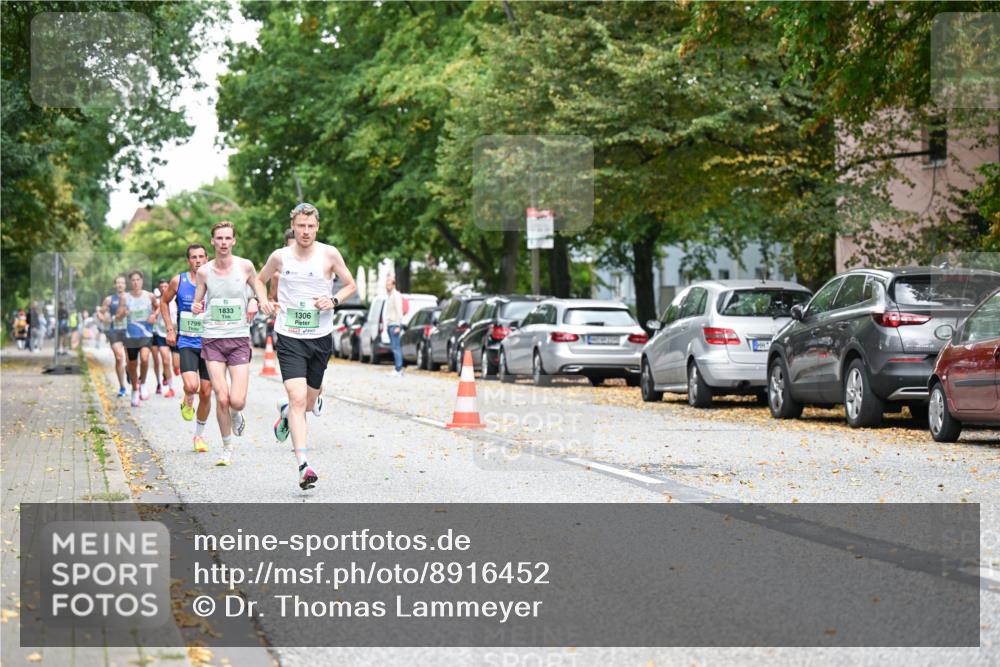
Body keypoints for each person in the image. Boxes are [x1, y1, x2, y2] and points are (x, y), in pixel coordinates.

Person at [256, 202, 356, 490]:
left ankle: (286, 412)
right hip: (289, 335)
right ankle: (303, 465)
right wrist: (263, 300)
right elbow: (259, 281)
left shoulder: (329, 254)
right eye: (301, 226)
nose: (306, 231)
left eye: (311, 226)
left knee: (309, 403)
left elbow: (350, 285)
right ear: (293, 226)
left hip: (320, 337)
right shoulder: (280, 256)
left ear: (317, 227)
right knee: (299, 398)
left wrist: (334, 300)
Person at [191, 222, 263, 466]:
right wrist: (196, 306)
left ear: (234, 241)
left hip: (238, 338)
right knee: (221, 397)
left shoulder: (245, 266)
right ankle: (226, 448)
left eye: (227, 238)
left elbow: (258, 287)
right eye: (219, 238)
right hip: (212, 338)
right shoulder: (204, 272)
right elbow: (197, 301)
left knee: (237, 400)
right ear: (212, 242)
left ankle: (235, 412)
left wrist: (255, 301)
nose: (223, 242)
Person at [161, 244, 213, 453]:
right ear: (188, 261)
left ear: (207, 258)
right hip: (188, 342)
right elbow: (163, 303)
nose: (198, 260)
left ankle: (199, 436)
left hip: (210, 343)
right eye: (194, 257)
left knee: (207, 392)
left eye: (201, 256)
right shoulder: (178, 281)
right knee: (192, 386)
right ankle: (188, 398)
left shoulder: (215, 280)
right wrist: (170, 329)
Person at [119, 270, 158, 407]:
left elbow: (159, 307)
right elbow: (118, 316)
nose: (136, 282)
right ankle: (135, 390)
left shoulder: (150, 296)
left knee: (145, 358)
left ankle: (143, 383)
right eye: (133, 280)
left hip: (146, 334)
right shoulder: (125, 297)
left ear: (142, 281)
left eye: (138, 280)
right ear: (131, 282)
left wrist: (154, 315)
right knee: (132, 364)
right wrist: (123, 313)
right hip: (131, 336)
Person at [98, 276, 129, 397]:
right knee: (119, 357)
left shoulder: (130, 298)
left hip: (128, 331)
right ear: (115, 285)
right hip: (114, 331)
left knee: (129, 359)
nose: (120, 285)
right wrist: (105, 319)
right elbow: (100, 313)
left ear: (125, 285)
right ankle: (122, 387)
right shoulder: (109, 300)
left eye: (122, 283)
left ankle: (128, 370)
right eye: (118, 283)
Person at [151, 278, 175, 397]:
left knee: (176, 365)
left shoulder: (176, 298)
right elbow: (158, 308)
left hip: (176, 333)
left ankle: (168, 374)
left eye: (166, 286)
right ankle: (170, 388)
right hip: (161, 334)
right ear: (159, 288)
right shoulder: (157, 300)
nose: (164, 289)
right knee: (165, 360)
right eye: (162, 287)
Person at [384, 275, 405, 376]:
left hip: (394, 325)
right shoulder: (390, 295)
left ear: (393, 284)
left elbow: (399, 311)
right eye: (386, 284)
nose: (387, 286)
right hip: (390, 325)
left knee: (396, 347)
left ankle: (398, 369)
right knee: (394, 347)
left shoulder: (396, 295)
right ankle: (397, 368)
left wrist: (399, 326)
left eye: (389, 284)